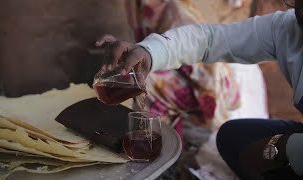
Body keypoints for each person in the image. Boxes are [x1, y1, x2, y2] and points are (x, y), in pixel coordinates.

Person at [95, 0, 303, 179]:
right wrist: (149, 52)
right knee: (232, 137)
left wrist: (286, 148)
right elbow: (210, 40)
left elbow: (208, 80)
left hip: (216, 94)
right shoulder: (288, 26)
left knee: (266, 158)